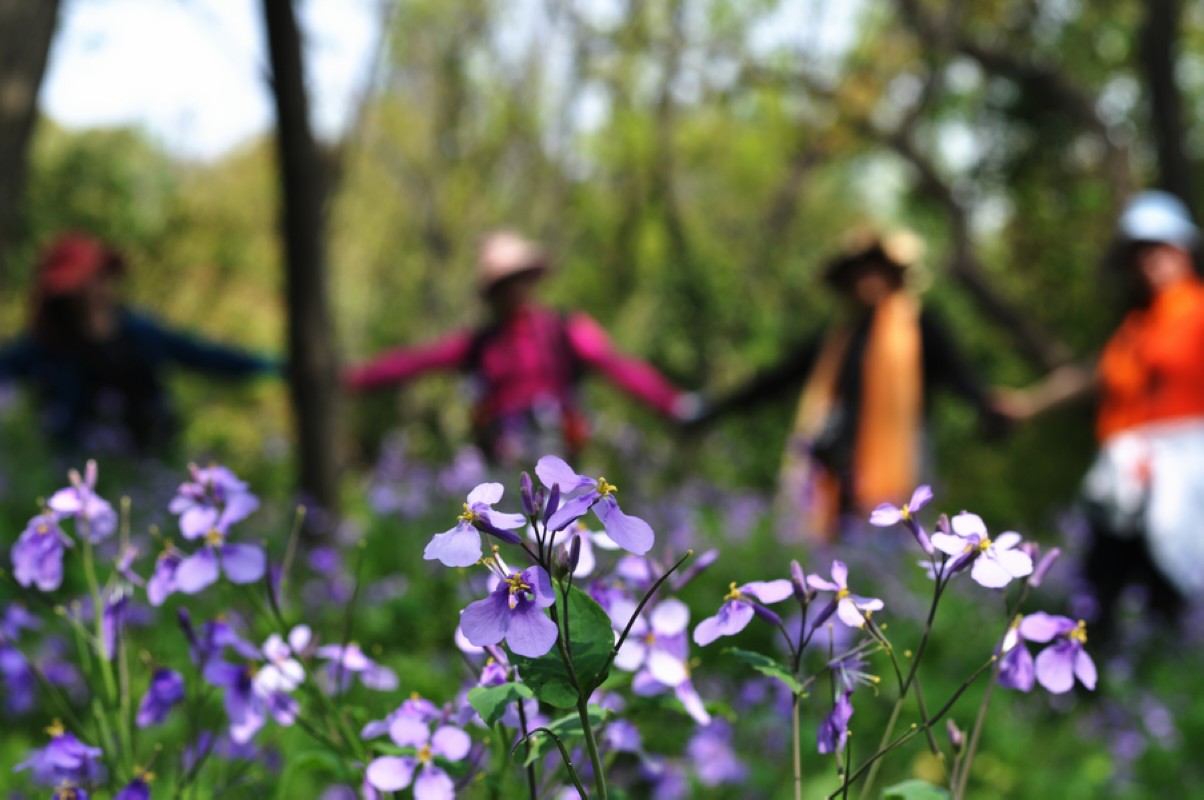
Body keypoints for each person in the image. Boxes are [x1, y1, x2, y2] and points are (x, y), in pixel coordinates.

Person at [704, 227, 1005, 543]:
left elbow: (960, 376)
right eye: (858, 273)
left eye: (875, 270)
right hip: (837, 457)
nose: (867, 280)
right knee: (833, 548)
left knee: (889, 546)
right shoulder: (839, 336)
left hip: (902, 456)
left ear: (892, 276)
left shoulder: (920, 326)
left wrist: (987, 406)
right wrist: (714, 409)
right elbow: (777, 378)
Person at [1003, 190, 1204, 642]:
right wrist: (1027, 404)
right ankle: (1089, 687)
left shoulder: (1197, 312)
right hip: (1123, 476)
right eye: (1139, 251)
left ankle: (1167, 689)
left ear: (1183, 248)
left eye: (1160, 246)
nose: (1150, 259)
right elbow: (1095, 375)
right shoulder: (1136, 324)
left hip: (1183, 475)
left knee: (1170, 581)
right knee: (1101, 584)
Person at [344, 230, 702, 467]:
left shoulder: (565, 328)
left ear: (531, 281)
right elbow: (418, 361)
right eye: (503, 283)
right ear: (491, 291)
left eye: (518, 280)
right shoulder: (480, 343)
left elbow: (618, 366)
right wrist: (356, 378)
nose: (513, 290)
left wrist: (672, 403)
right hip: (503, 461)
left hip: (562, 455)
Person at [0, 232, 280, 455]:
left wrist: (266, 365)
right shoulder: (48, 345)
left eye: (100, 277)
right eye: (84, 282)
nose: (95, 289)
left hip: (148, 458)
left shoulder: (140, 333)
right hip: (73, 468)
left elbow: (201, 356)